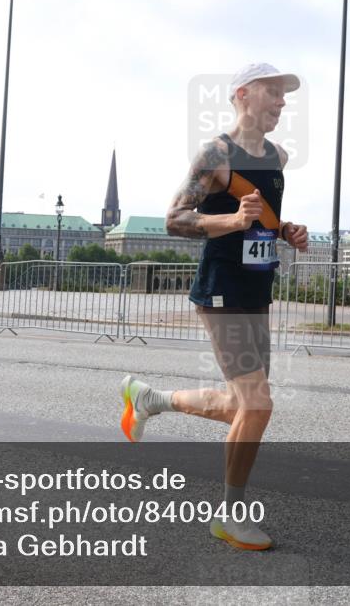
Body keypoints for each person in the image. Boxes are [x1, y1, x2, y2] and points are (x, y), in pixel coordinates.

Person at [119, 63, 309, 551]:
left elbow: (261, 220)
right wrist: (232, 221)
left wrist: (286, 231)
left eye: (284, 95)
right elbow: (175, 218)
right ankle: (230, 515)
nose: (282, 101)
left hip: (257, 290)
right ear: (243, 94)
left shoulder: (278, 157)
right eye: (273, 91)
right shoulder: (216, 154)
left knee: (241, 405)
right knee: (258, 404)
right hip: (221, 291)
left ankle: (150, 399)